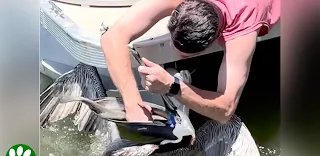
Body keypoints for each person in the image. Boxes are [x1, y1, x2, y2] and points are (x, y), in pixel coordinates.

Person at [100, 0, 280, 124]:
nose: (172, 45)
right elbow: (112, 37)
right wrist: (132, 102)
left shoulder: (243, 23)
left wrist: (173, 86)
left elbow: (226, 110)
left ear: (216, 39)